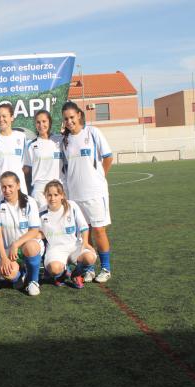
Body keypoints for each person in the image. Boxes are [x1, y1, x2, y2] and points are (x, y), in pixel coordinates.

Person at [60, 101, 114, 283]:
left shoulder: (93, 133)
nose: (69, 121)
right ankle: (90, 268)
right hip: (75, 196)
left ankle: (106, 268)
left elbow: (108, 157)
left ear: (79, 116)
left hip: (95, 193)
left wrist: (100, 177)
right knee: (85, 234)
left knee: (99, 230)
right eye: (66, 119)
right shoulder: (65, 141)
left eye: (72, 117)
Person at [0, 171, 43, 296]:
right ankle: (20, 277)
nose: (7, 190)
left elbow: (34, 231)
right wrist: (3, 257)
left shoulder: (30, 202)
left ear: (18, 185)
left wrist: (16, 244)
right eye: (4, 187)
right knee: (8, 272)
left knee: (32, 246)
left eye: (10, 186)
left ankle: (33, 281)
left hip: (24, 247)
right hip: (8, 250)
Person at [39, 180, 97, 289]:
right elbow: (36, 232)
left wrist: (85, 243)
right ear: (45, 196)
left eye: (56, 195)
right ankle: (63, 273)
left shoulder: (71, 206)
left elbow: (84, 226)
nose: (52, 198)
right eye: (49, 195)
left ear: (62, 195)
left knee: (90, 258)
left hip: (74, 246)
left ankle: (76, 275)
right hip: (55, 249)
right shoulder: (41, 212)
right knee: (55, 269)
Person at [23, 110, 64, 210]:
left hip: (58, 187)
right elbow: (26, 168)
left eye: (44, 121)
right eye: (38, 122)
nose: (41, 125)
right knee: (43, 221)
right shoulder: (31, 144)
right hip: (40, 190)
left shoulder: (60, 140)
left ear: (49, 122)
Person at [0, 104, 28, 199]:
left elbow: (25, 163)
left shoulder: (21, 137)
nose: (1, 119)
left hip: (18, 188)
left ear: (12, 117)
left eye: (4, 116)